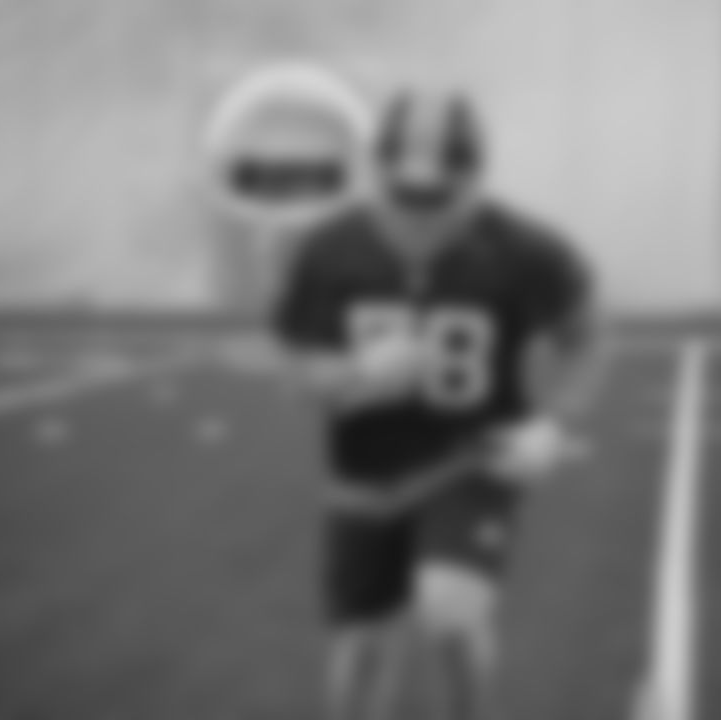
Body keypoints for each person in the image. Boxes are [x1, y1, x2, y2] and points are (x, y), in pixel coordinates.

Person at [270, 87, 600, 720]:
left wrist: (554, 424)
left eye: (436, 197)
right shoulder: (330, 249)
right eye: (406, 195)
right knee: (361, 645)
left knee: (451, 607)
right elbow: (292, 371)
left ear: (473, 180)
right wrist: (352, 374)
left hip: (472, 459)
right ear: (378, 173)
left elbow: (587, 334)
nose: (420, 214)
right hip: (364, 476)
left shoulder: (522, 248)